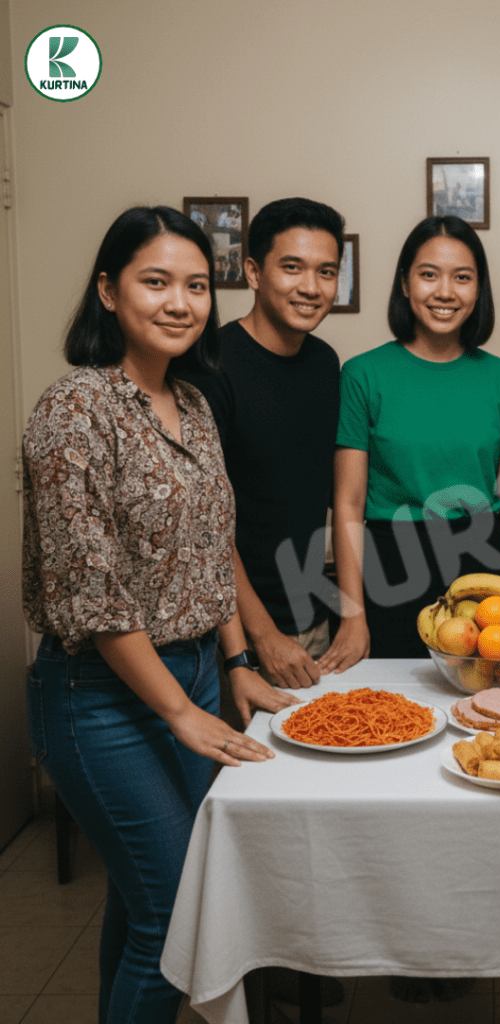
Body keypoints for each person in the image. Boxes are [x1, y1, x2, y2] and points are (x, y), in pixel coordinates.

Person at [22, 206, 296, 1024]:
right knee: (180, 914)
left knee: (143, 907)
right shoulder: (73, 409)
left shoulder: (195, 406)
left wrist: (237, 666)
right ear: (108, 291)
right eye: (156, 282)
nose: (180, 302)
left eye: (196, 286)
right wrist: (177, 711)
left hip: (198, 672)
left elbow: (215, 556)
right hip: (99, 698)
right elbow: (91, 590)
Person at [321, 215, 500, 672]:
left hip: (486, 571)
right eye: (429, 275)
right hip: (390, 569)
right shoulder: (363, 375)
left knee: (484, 714)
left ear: (478, 289)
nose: (445, 292)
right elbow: (348, 503)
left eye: (462, 277)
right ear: (405, 283)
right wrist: (352, 614)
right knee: (391, 717)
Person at [180, 198, 345, 695]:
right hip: (233, 638)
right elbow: (207, 523)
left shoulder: (324, 362)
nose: (311, 288)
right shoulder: (210, 368)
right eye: (291, 268)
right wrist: (261, 636)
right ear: (253, 272)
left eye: (326, 271)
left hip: (312, 621)